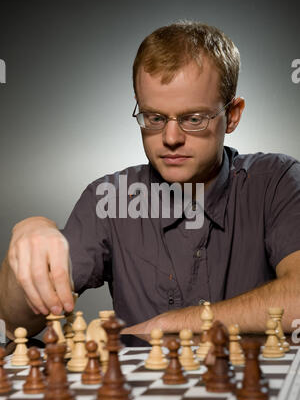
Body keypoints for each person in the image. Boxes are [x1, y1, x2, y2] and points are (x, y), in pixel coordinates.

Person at [1, 20, 300, 341]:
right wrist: (28, 237)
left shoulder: (275, 182)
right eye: (154, 118)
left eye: (194, 119)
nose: (170, 138)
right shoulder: (109, 198)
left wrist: (168, 324)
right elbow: (14, 324)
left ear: (233, 115)